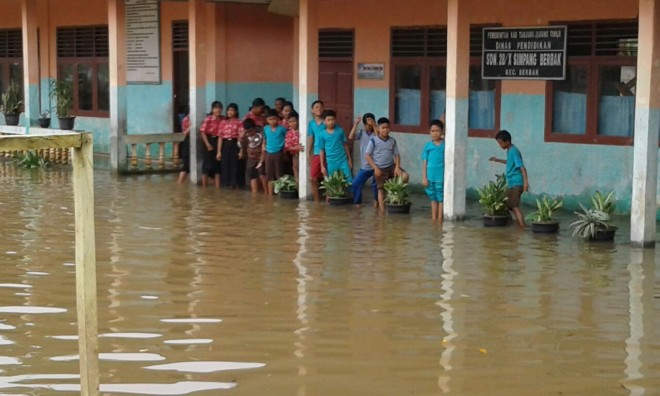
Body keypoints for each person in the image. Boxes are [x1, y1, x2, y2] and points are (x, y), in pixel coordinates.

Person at [489, 129, 530, 227]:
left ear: (507, 141)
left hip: (517, 183)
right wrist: (497, 160)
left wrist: (525, 183)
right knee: (505, 203)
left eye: (500, 143)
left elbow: (522, 167)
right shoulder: (510, 150)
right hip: (511, 183)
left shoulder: (514, 151)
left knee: (515, 206)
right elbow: (510, 162)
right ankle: (514, 223)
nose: (500, 145)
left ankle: (522, 227)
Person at [365, 117, 402, 212]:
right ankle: (382, 212)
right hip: (380, 168)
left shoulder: (392, 140)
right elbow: (367, 155)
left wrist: (397, 167)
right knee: (381, 190)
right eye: (383, 128)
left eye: (387, 128)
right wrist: (375, 168)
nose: (385, 130)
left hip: (391, 166)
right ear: (377, 128)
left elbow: (397, 155)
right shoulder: (373, 141)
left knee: (404, 176)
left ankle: (395, 202)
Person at [348, 113, 378, 207]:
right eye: (366, 125)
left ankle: (376, 202)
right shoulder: (361, 132)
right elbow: (350, 137)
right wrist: (356, 124)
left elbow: (379, 139)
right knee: (356, 183)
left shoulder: (377, 132)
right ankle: (357, 203)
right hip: (365, 166)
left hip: (376, 165)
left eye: (370, 125)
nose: (368, 127)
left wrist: (374, 125)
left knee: (376, 186)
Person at [421, 120, 446, 224]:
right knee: (433, 198)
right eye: (432, 131)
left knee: (440, 198)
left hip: (440, 177)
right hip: (430, 177)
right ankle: (434, 220)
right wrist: (424, 177)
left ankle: (440, 219)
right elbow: (424, 162)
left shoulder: (445, 145)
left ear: (442, 131)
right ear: (429, 132)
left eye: (437, 131)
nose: (435, 133)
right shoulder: (427, 146)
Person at [319, 109, 352, 184]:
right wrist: (322, 165)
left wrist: (349, 159)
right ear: (324, 121)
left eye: (333, 119)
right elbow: (321, 150)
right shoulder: (322, 134)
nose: (331, 122)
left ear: (335, 120)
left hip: (343, 160)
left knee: (349, 180)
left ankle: (351, 195)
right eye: (328, 120)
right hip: (331, 161)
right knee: (332, 183)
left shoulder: (340, 131)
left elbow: (345, 145)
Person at [262, 109, 288, 196]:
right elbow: (264, 141)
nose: (272, 121)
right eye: (270, 119)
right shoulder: (265, 129)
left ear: (277, 119)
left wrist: (284, 151)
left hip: (279, 153)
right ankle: (270, 195)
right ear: (267, 120)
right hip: (268, 153)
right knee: (269, 175)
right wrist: (263, 153)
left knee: (279, 174)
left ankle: (280, 194)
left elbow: (287, 139)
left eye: (274, 119)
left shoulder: (282, 129)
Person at [216, 103, 242, 189]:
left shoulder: (239, 122)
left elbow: (240, 137)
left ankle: (234, 183)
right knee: (225, 163)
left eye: (232, 110)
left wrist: (241, 151)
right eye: (228, 110)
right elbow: (220, 137)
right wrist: (219, 152)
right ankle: (226, 183)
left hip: (235, 144)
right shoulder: (223, 122)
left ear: (236, 111)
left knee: (234, 164)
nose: (229, 112)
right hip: (225, 144)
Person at [200, 101, 224, 188]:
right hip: (209, 140)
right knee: (206, 166)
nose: (218, 110)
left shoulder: (223, 119)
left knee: (217, 166)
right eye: (216, 108)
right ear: (212, 109)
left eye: (219, 108)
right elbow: (202, 132)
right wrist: (207, 144)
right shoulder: (208, 119)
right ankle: (204, 187)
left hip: (219, 141)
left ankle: (217, 187)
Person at [241, 118, 266, 194]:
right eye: (248, 131)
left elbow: (264, 144)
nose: (250, 133)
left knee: (262, 175)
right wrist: (242, 137)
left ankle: (266, 192)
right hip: (250, 159)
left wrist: (262, 156)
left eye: (251, 131)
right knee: (253, 176)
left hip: (260, 157)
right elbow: (243, 146)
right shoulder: (245, 135)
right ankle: (254, 193)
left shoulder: (261, 133)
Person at [306, 100, 325, 202]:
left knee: (328, 177)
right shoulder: (311, 124)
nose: (319, 109)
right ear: (312, 110)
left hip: (328, 152)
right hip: (317, 153)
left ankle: (328, 200)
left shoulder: (327, 121)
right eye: (316, 107)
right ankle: (317, 200)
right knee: (313, 178)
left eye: (320, 107)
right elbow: (310, 138)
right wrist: (309, 153)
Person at [285, 110, 305, 183]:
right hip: (295, 155)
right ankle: (298, 189)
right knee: (296, 171)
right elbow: (287, 147)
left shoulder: (303, 130)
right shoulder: (289, 133)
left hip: (304, 155)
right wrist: (296, 148)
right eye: (290, 122)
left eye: (294, 121)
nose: (292, 123)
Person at [177, 107, 191, 184]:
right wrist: (191, 126)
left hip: (196, 141)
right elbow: (185, 133)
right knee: (186, 163)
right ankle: (180, 182)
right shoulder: (186, 119)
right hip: (187, 141)